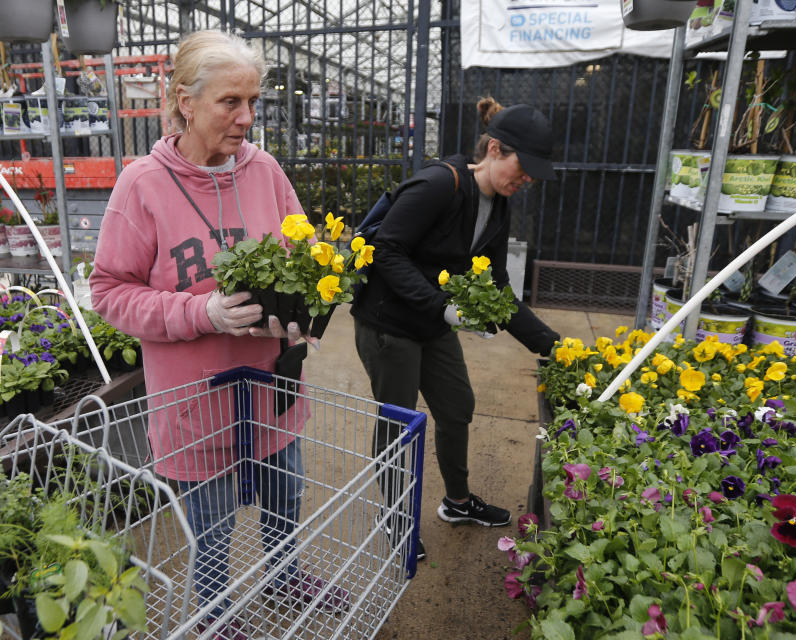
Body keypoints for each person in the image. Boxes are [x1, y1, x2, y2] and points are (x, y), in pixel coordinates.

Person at [89, 30, 344, 640]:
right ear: (185, 100)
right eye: (231, 102)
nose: (247, 118)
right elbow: (108, 292)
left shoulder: (266, 172)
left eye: (253, 101)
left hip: (273, 385)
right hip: (196, 405)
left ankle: (285, 575)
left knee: (286, 493)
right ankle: (214, 613)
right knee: (211, 526)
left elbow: (305, 253)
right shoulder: (142, 186)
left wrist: (311, 303)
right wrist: (201, 313)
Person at [351, 97, 560, 559]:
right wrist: (442, 307)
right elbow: (386, 251)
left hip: (431, 323)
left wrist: (553, 345)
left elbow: (498, 285)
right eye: (524, 168)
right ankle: (396, 516)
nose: (526, 180)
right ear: (495, 149)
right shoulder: (436, 185)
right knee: (400, 424)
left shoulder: (499, 205)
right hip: (389, 325)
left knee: (457, 407)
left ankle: (457, 502)